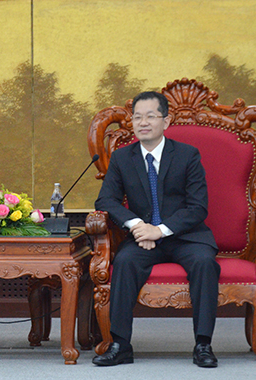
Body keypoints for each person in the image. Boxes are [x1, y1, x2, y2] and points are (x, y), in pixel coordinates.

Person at [92, 91, 220, 368]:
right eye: (137, 117)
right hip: (143, 238)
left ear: (166, 121)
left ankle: (203, 344)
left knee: (205, 263)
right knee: (124, 262)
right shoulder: (122, 157)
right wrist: (139, 226)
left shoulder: (187, 155)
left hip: (187, 236)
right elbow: (106, 200)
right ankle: (120, 345)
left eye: (151, 116)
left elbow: (198, 207)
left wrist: (159, 231)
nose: (143, 122)